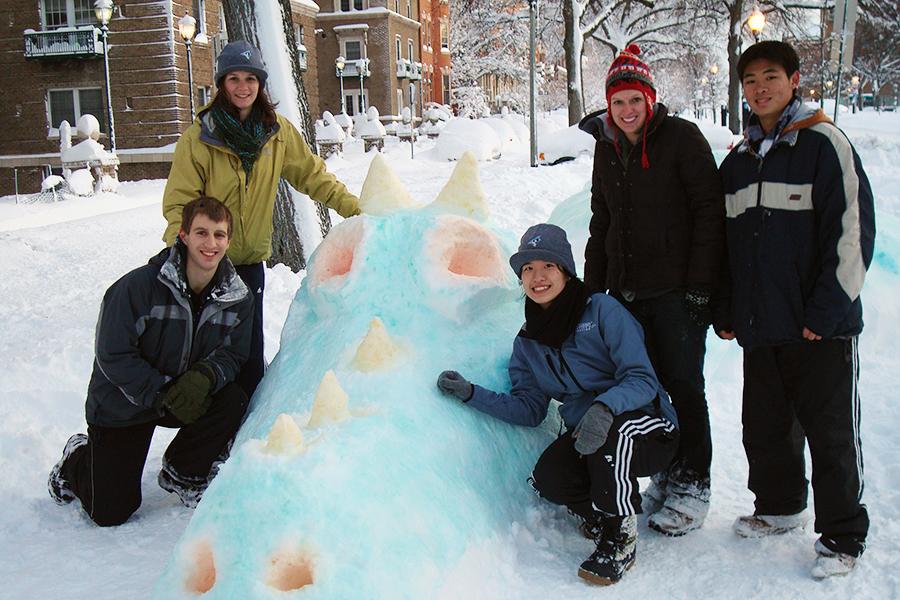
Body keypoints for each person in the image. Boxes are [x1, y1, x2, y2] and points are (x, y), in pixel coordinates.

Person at [436, 224, 679, 585]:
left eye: (547, 266)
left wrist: (605, 407)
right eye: (528, 269)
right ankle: (598, 514)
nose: (538, 277)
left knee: (613, 435)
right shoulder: (529, 344)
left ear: (565, 270)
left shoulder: (602, 312)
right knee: (549, 478)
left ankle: (620, 536)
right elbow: (531, 410)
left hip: (647, 425)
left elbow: (642, 378)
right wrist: (472, 394)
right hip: (590, 435)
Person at [715, 41, 875, 579]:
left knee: (829, 432)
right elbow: (727, 246)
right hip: (763, 326)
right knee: (764, 426)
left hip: (819, 330)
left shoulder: (824, 144)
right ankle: (779, 506)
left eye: (771, 77)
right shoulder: (738, 162)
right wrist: (729, 308)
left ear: (794, 80)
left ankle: (843, 535)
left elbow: (851, 232)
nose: (760, 88)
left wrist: (826, 312)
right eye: (751, 80)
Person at [577, 44, 725, 536]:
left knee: (684, 386)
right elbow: (602, 222)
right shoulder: (606, 145)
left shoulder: (681, 139)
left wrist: (701, 288)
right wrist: (594, 293)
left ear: (650, 98)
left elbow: (709, 214)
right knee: (647, 389)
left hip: (677, 294)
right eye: (617, 102)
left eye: (633, 100)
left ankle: (692, 482)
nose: (625, 111)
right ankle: (664, 470)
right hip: (626, 295)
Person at [162, 41, 361, 400]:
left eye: (251, 78)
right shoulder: (199, 137)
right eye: (234, 78)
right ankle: (208, 434)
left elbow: (313, 176)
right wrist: (181, 256)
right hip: (206, 265)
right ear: (222, 83)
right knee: (207, 354)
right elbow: (179, 204)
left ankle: (245, 434)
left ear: (260, 83)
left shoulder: (276, 133)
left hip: (250, 265)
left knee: (250, 356)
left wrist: (357, 210)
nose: (243, 87)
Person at [47, 197, 254, 526]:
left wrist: (204, 377)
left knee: (232, 398)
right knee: (111, 511)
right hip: (124, 401)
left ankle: (183, 472)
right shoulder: (137, 288)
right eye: (201, 233)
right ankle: (77, 459)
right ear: (183, 235)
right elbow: (113, 354)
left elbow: (234, 354)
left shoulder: (237, 297)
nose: (210, 243)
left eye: (219, 234)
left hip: (184, 396)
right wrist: (160, 391)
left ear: (229, 240)